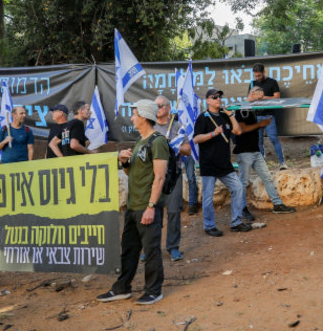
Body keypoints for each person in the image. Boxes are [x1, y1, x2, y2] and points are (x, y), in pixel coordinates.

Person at [96, 100, 168, 305]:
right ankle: (122, 288)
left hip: (147, 206)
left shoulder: (157, 141)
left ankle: (154, 291)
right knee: (128, 249)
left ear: (144, 117)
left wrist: (151, 207)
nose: (132, 117)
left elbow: (159, 177)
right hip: (133, 206)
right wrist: (125, 162)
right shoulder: (139, 141)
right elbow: (132, 173)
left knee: (151, 250)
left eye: (135, 114)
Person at [192, 88, 250, 236]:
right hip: (209, 163)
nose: (218, 99)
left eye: (219, 97)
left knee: (238, 188)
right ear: (208, 101)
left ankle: (236, 222)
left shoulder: (224, 116)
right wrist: (213, 133)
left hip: (225, 164)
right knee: (208, 197)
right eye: (214, 97)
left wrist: (231, 116)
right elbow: (196, 139)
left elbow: (237, 132)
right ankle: (209, 225)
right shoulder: (203, 117)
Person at [235, 87, 296, 221]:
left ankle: (277, 204)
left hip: (255, 150)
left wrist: (261, 124)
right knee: (243, 182)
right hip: (245, 151)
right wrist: (261, 124)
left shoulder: (251, 109)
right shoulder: (243, 108)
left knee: (267, 177)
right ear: (253, 94)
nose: (261, 101)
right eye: (260, 98)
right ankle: (242, 209)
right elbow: (243, 128)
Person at [153, 95, 191, 261]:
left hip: (173, 176)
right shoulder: (150, 127)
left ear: (169, 108)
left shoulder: (178, 127)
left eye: (160, 106)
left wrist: (172, 145)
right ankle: (151, 248)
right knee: (154, 213)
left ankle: (173, 247)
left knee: (174, 212)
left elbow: (188, 150)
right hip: (154, 177)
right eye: (155, 106)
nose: (158, 109)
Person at [248, 64, 287, 170]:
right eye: (255, 76)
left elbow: (277, 97)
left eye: (259, 75)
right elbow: (248, 99)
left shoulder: (272, 82)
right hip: (257, 117)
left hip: (268, 116)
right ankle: (262, 165)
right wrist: (253, 98)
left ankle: (282, 162)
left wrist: (262, 97)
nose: (257, 78)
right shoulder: (253, 84)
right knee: (258, 142)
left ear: (264, 72)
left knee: (274, 139)